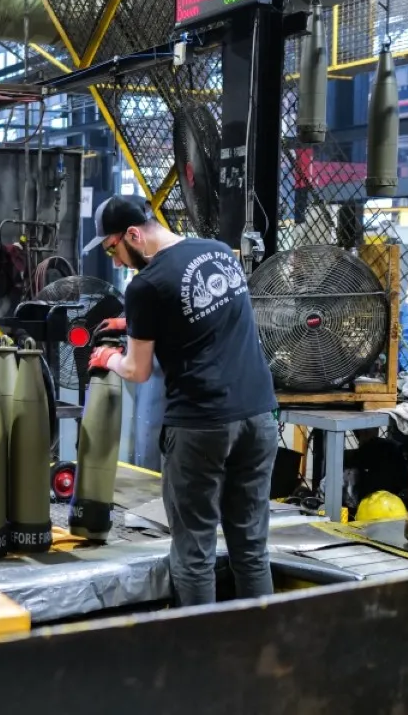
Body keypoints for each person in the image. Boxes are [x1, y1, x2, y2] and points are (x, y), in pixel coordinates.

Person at [84, 195, 279, 606]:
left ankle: (199, 660)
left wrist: (108, 357)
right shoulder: (218, 252)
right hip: (259, 416)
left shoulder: (146, 285)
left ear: (133, 235)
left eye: (112, 249)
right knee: (250, 546)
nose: (116, 262)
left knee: (194, 551)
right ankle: (265, 651)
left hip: (202, 424)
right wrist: (132, 323)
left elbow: (137, 370)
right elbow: (200, 309)